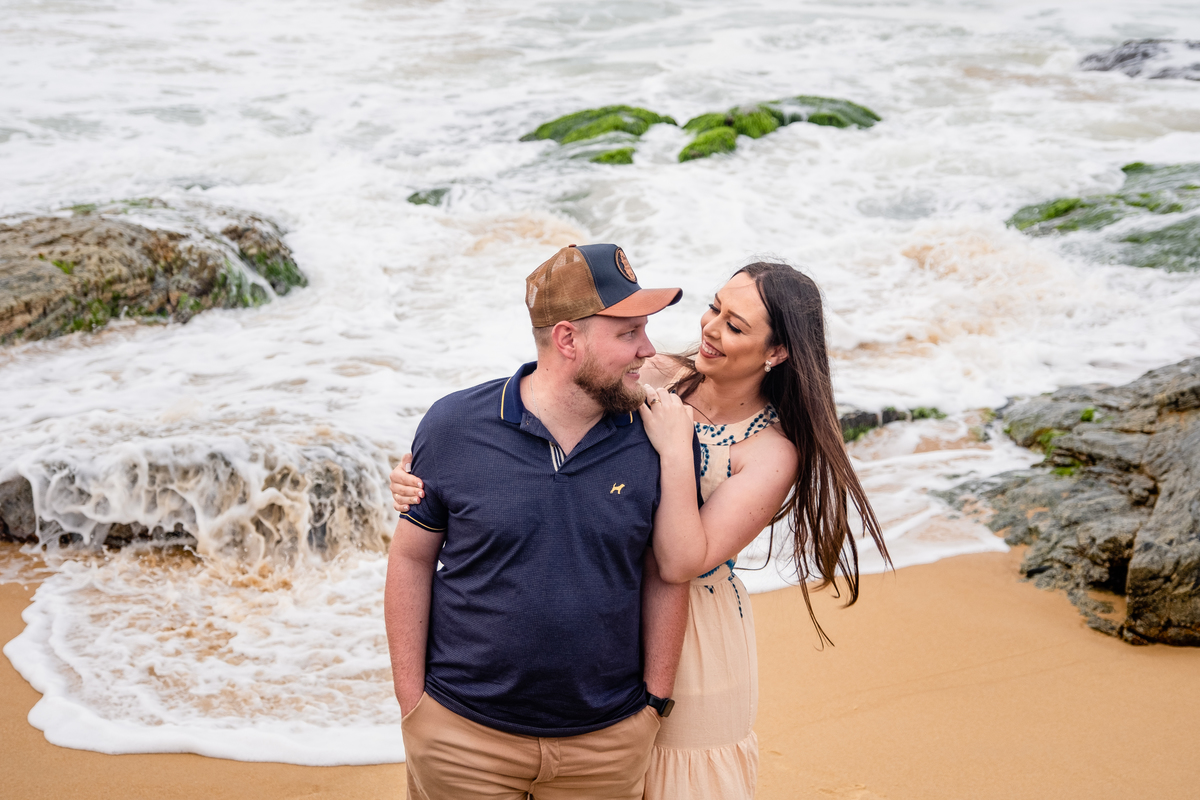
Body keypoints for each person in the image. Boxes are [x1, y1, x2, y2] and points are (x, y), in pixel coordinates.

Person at [395, 259, 891, 799]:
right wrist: (427, 467)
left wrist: (678, 452)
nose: (710, 327)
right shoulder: (658, 374)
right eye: (714, 307)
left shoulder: (772, 454)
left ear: (776, 353)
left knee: (679, 780)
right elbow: (563, 377)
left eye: (735, 325)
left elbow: (680, 562)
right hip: (611, 604)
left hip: (693, 630)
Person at [384, 243, 698, 800]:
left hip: (606, 741)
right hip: (462, 737)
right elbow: (411, 558)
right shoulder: (455, 426)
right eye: (628, 333)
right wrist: (414, 706)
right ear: (567, 338)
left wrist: (653, 704)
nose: (646, 349)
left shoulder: (658, 435)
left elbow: (663, 574)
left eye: (645, 330)